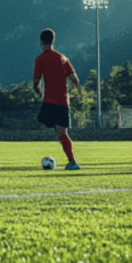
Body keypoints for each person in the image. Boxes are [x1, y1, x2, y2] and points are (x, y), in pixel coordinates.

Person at [33, 29, 82, 170]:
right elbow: (75, 79)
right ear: (53, 41)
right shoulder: (63, 58)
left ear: (41, 43)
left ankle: (41, 125)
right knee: (62, 133)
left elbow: (36, 82)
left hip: (49, 101)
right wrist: (73, 90)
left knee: (40, 123)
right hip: (63, 102)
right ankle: (72, 162)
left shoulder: (40, 59)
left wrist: (39, 91)